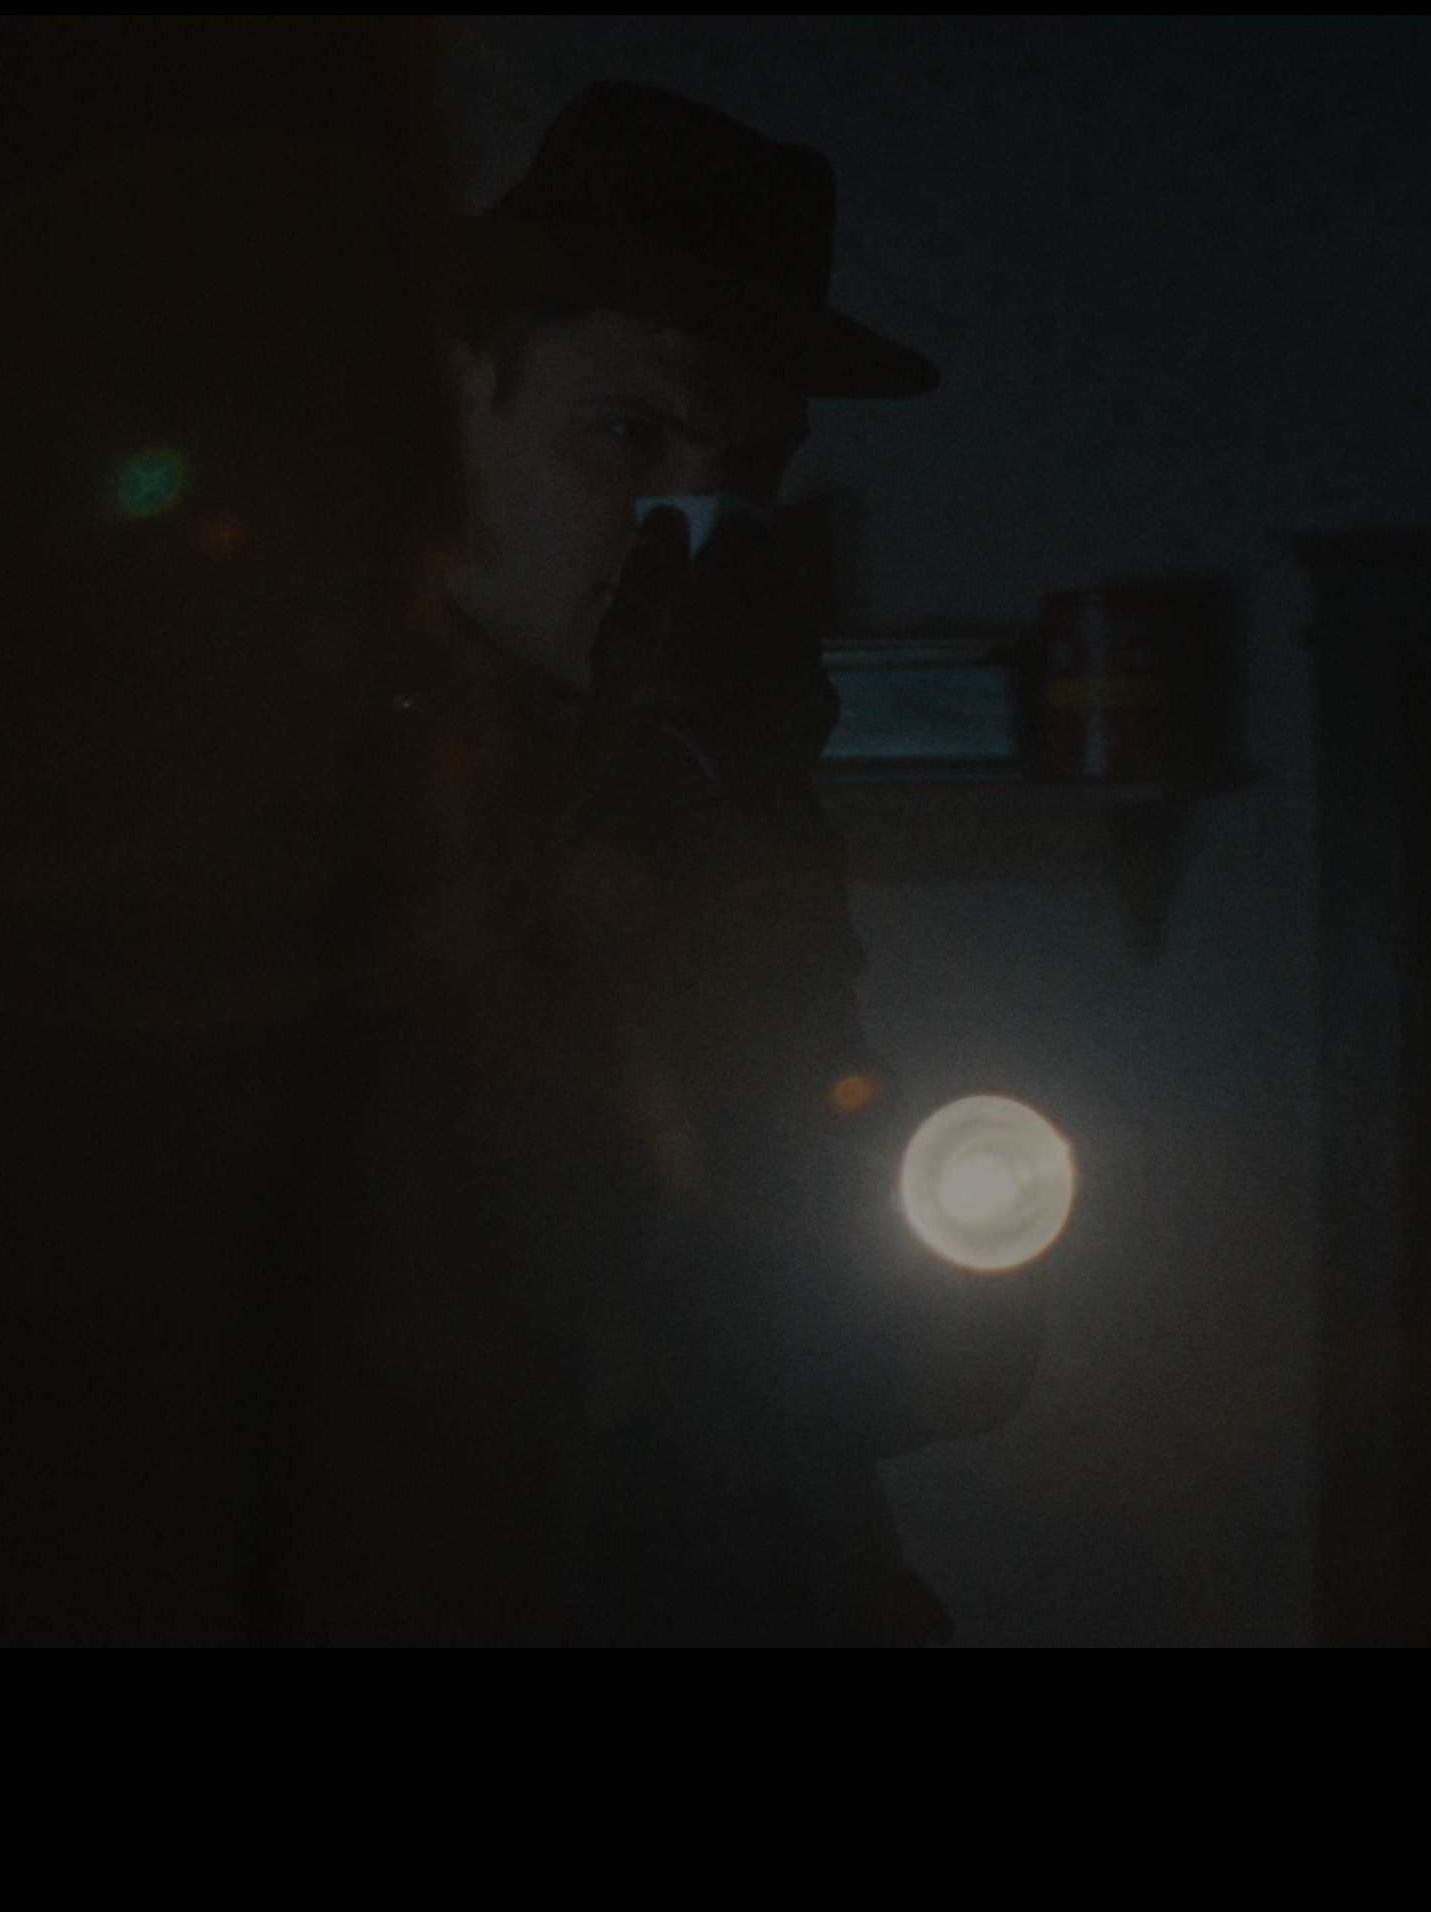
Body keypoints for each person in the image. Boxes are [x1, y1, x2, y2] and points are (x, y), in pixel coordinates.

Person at [273, 82, 1040, 1644]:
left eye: (748, 470)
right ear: (454, 411)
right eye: (626, 436)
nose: (692, 522)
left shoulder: (717, 777)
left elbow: (881, 1366)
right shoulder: (300, 771)